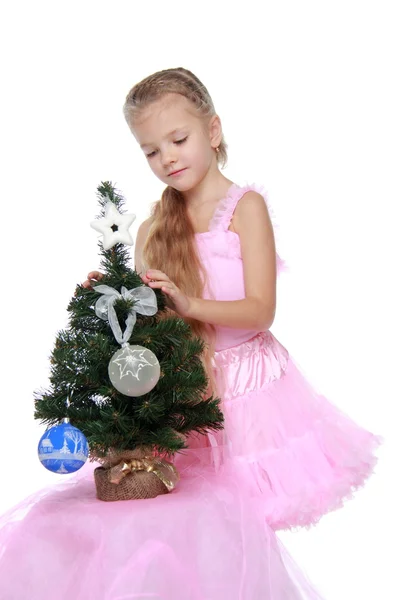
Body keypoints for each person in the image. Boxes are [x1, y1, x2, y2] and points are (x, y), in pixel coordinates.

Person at [0, 67, 379, 599]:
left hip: (252, 396)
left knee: (242, 527)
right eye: (151, 151)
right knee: (191, 525)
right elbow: (151, 322)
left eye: (178, 140)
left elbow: (261, 310)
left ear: (213, 131)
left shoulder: (244, 208)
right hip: (186, 388)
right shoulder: (156, 224)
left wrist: (191, 302)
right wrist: (115, 296)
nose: (168, 159)